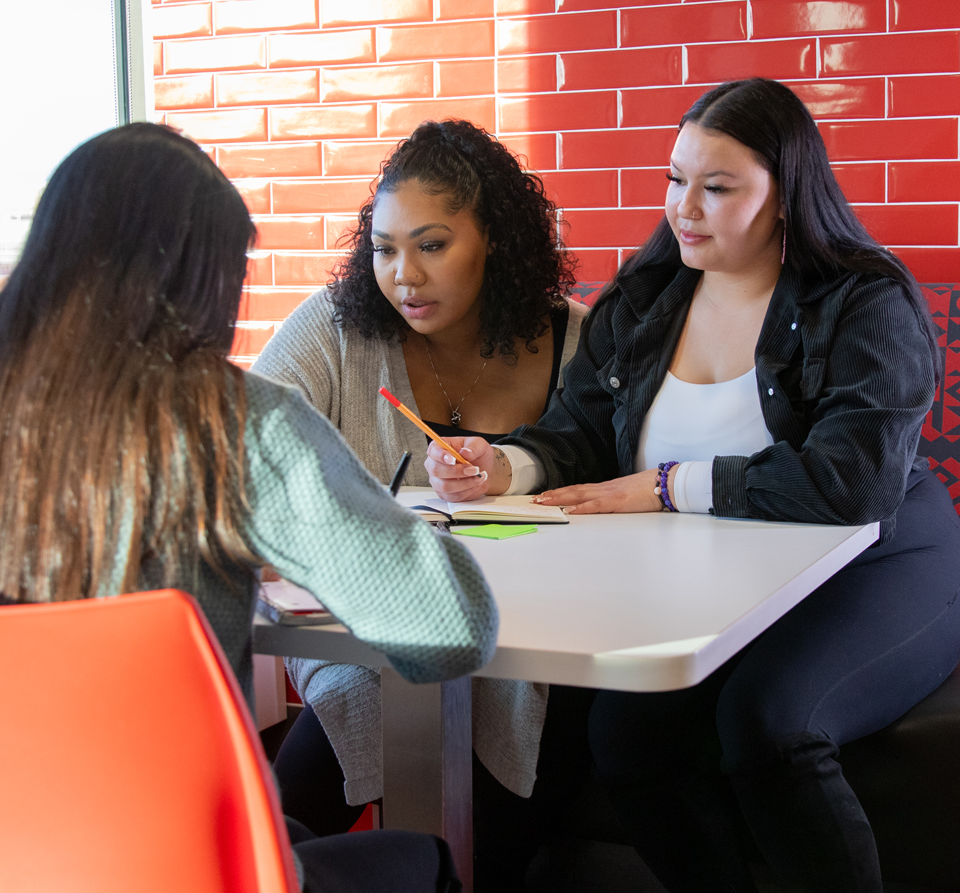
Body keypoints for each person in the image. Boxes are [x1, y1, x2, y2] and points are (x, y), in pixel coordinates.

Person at [425, 78, 960, 893]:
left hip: (876, 558)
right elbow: (578, 434)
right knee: (628, 738)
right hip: (713, 584)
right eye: (676, 181)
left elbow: (850, 484)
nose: (685, 208)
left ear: (786, 196)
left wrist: (668, 487)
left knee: (769, 727)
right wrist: (504, 465)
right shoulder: (645, 297)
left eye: (717, 188)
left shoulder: (865, 301)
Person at [0, 122, 499, 893]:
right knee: (419, 862)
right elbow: (448, 631)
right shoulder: (233, 421)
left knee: (294, 825)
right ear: (202, 282)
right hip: (178, 863)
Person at [252, 118, 590, 891]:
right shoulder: (336, 329)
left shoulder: (576, 341)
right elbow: (248, 442)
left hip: (546, 623)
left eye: (432, 245)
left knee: (521, 711)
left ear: (496, 240)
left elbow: (618, 475)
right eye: (384, 248)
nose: (403, 275)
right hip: (369, 621)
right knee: (356, 702)